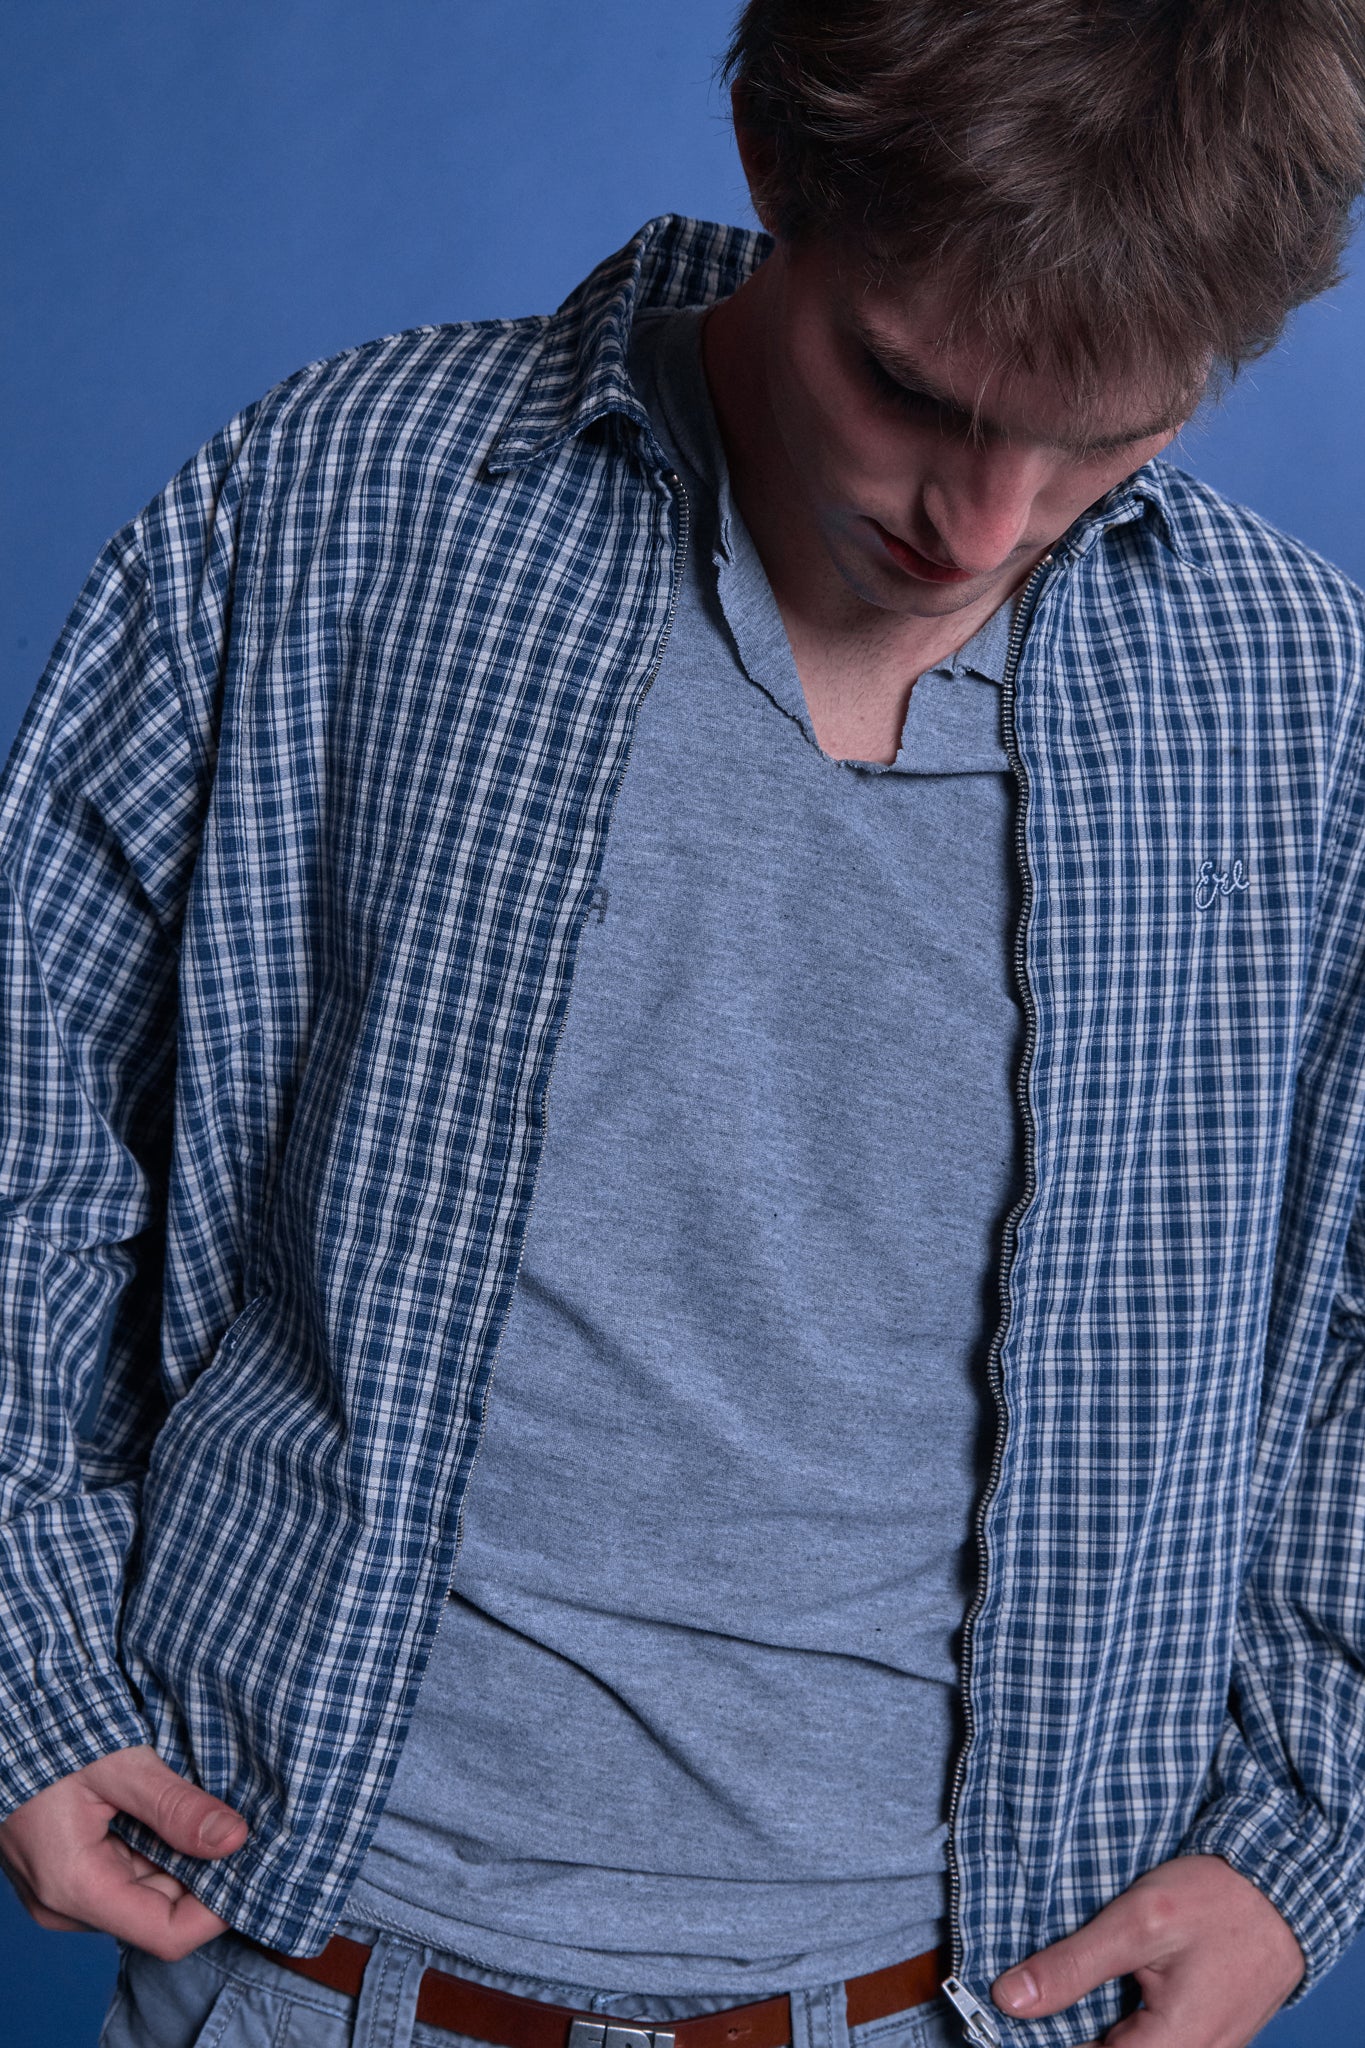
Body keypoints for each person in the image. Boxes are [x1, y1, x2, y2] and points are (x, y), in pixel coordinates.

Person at [3, 3, 1364, 2044]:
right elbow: (30, 1091)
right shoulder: (353, 501)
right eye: (908, 389)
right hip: (299, 1958)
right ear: (771, 162)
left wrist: (1305, 1825)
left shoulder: (1294, 702)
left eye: (1101, 435)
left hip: (968, 1998)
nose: (982, 524)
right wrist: (25, 1652)